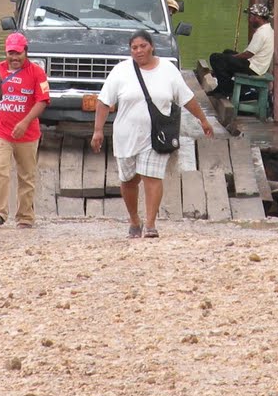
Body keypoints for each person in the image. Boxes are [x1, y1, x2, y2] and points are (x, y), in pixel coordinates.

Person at [90, 30, 214, 239]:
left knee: (152, 177)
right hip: (126, 135)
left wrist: (202, 120)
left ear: (152, 46)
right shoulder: (120, 71)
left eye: (143, 46)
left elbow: (186, 97)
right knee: (129, 180)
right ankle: (134, 221)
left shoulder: (168, 70)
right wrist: (98, 130)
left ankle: (150, 225)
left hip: (156, 135)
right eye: (134, 48)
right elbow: (104, 101)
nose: (138, 51)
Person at [0, 32, 50, 228]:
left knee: (27, 175)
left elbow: (42, 101)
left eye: (18, 53)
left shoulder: (37, 72)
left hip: (27, 133)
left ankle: (25, 216)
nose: (14, 58)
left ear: (26, 52)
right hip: (0, 130)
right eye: (10, 53)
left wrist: (25, 122)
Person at [202, 2, 274, 99]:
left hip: (253, 68)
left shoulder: (262, 33)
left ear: (258, 17)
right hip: (257, 65)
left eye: (251, 17)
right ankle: (222, 87)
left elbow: (248, 54)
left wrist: (232, 58)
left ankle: (226, 89)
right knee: (227, 52)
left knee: (215, 57)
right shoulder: (268, 30)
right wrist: (229, 57)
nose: (250, 20)